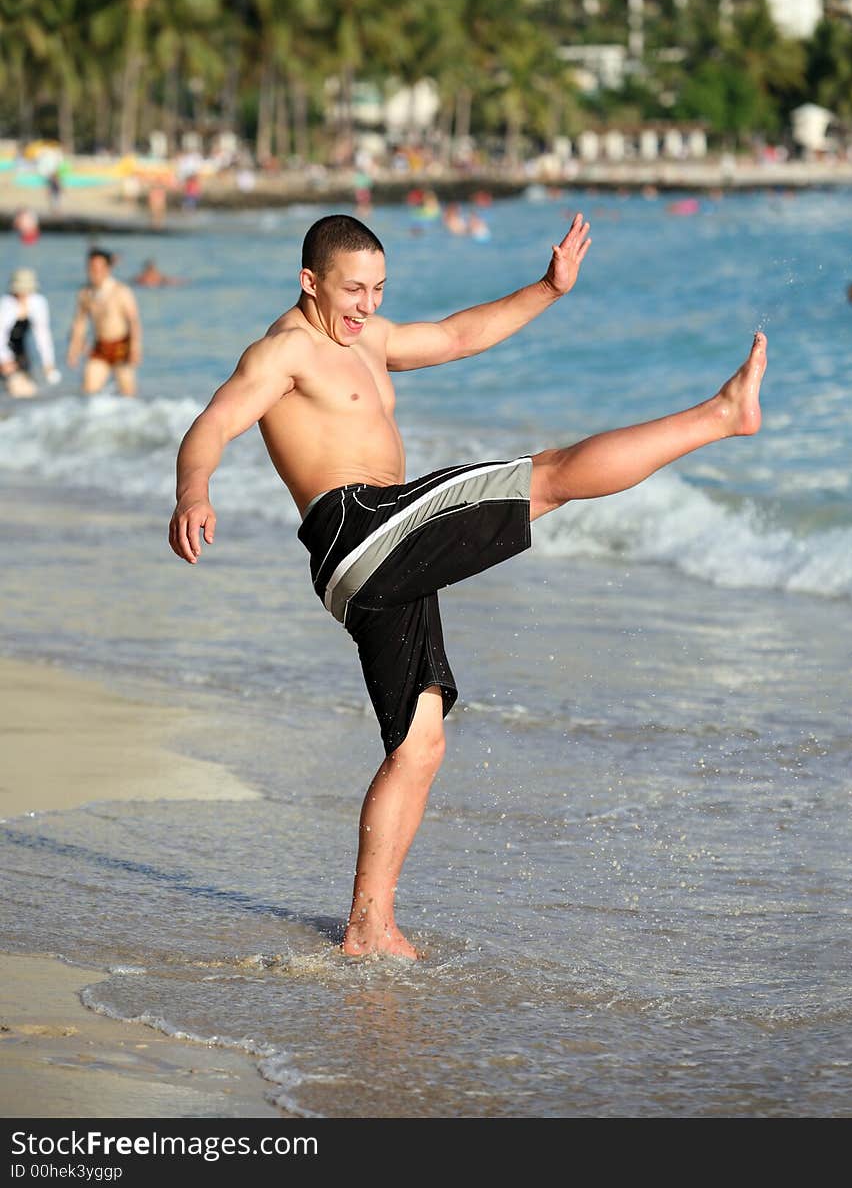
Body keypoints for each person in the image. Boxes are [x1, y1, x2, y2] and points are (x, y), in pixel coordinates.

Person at [169, 213, 767, 960]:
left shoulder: (370, 339)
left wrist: (548, 290)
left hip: (370, 563)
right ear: (309, 281)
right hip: (362, 525)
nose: (367, 304)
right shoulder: (286, 350)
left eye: (380, 289)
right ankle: (720, 414)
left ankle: (368, 925)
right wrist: (195, 490)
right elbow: (213, 423)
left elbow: (456, 335)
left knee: (420, 745)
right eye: (353, 289)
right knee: (547, 476)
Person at [66, 248, 142, 397]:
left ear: (108, 268)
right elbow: (79, 324)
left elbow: (133, 321)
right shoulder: (85, 293)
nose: (95, 272)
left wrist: (135, 348)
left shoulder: (121, 291)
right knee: (88, 391)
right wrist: (73, 350)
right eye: (91, 268)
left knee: (129, 395)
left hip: (122, 347)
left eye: (99, 268)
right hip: (100, 347)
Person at [0, 268, 61, 398]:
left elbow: (43, 334)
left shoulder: (38, 302)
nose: (22, 293)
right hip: (3, 352)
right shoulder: (6, 304)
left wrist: (48, 363)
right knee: (18, 389)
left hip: (21, 353)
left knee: (30, 392)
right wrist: (4, 360)